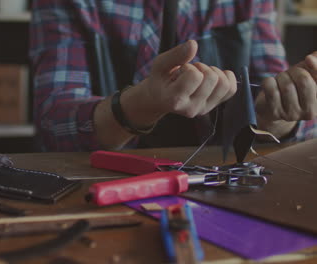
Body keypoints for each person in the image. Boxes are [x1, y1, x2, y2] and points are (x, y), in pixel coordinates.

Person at [29, 0, 317, 152]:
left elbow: (278, 116)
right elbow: (54, 125)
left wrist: (278, 117)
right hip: (99, 188)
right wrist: (141, 104)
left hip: (223, 188)